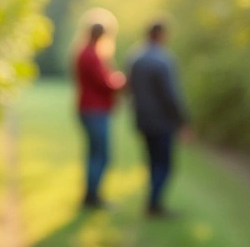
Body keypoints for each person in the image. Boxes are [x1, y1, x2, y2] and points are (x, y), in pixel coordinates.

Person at [126, 21, 190, 217]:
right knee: (164, 164)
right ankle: (154, 205)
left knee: (152, 162)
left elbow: (129, 88)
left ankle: (152, 203)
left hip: (142, 119)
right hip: (162, 122)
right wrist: (183, 121)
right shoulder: (163, 60)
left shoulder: (134, 58)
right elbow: (171, 95)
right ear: (161, 35)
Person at [74, 22, 126, 209]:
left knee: (94, 154)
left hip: (89, 109)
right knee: (100, 155)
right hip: (95, 110)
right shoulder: (91, 55)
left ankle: (91, 194)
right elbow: (104, 83)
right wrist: (121, 81)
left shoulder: (84, 52)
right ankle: (92, 196)